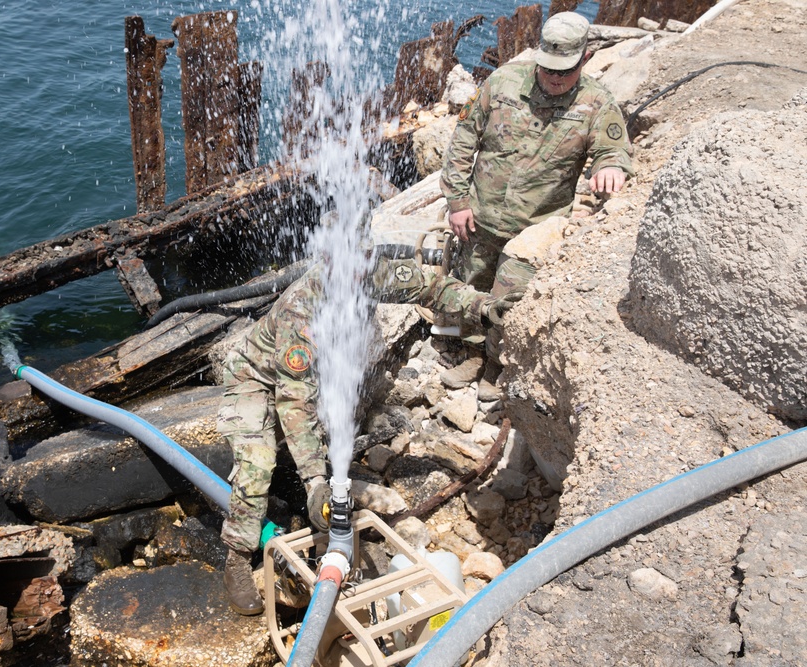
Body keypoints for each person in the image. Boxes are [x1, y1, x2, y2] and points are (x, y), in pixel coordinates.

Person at [217, 253, 520, 615]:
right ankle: (237, 557)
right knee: (257, 462)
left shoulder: (371, 272)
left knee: (331, 436)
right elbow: (292, 401)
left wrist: (483, 306)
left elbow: (431, 288)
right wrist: (315, 482)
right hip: (256, 381)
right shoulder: (302, 312)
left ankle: (327, 541)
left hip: (309, 377)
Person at [438, 11, 634, 397]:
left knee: (508, 304)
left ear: (585, 59)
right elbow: (463, 140)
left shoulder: (597, 103)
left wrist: (610, 167)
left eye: (566, 70)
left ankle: (496, 366)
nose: (556, 77)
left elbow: (613, 150)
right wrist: (457, 201)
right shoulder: (502, 83)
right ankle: (470, 354)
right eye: (549, 69)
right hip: (479, 219)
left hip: (532, 233)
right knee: (469, 289)